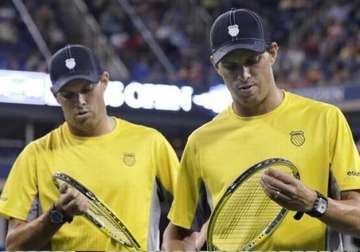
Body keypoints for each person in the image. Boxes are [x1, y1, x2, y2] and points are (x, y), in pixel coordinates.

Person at [163, 8, 360, 250]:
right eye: (231, 66)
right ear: (216, 66)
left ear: (273, 53)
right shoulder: (200, 142)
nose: (243, 75)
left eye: (252, 60)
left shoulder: (325, 118)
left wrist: (313, 203)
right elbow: (178, 231)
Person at [0, 45, 179, 250]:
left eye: (87, 89)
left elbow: (192, 209)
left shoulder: (150, 142)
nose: (81, 101)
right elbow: (14, 244)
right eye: (69, 95)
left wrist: (175, 242)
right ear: (55, 95)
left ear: (104, 81)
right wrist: (56, 215)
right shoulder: (34, 155)